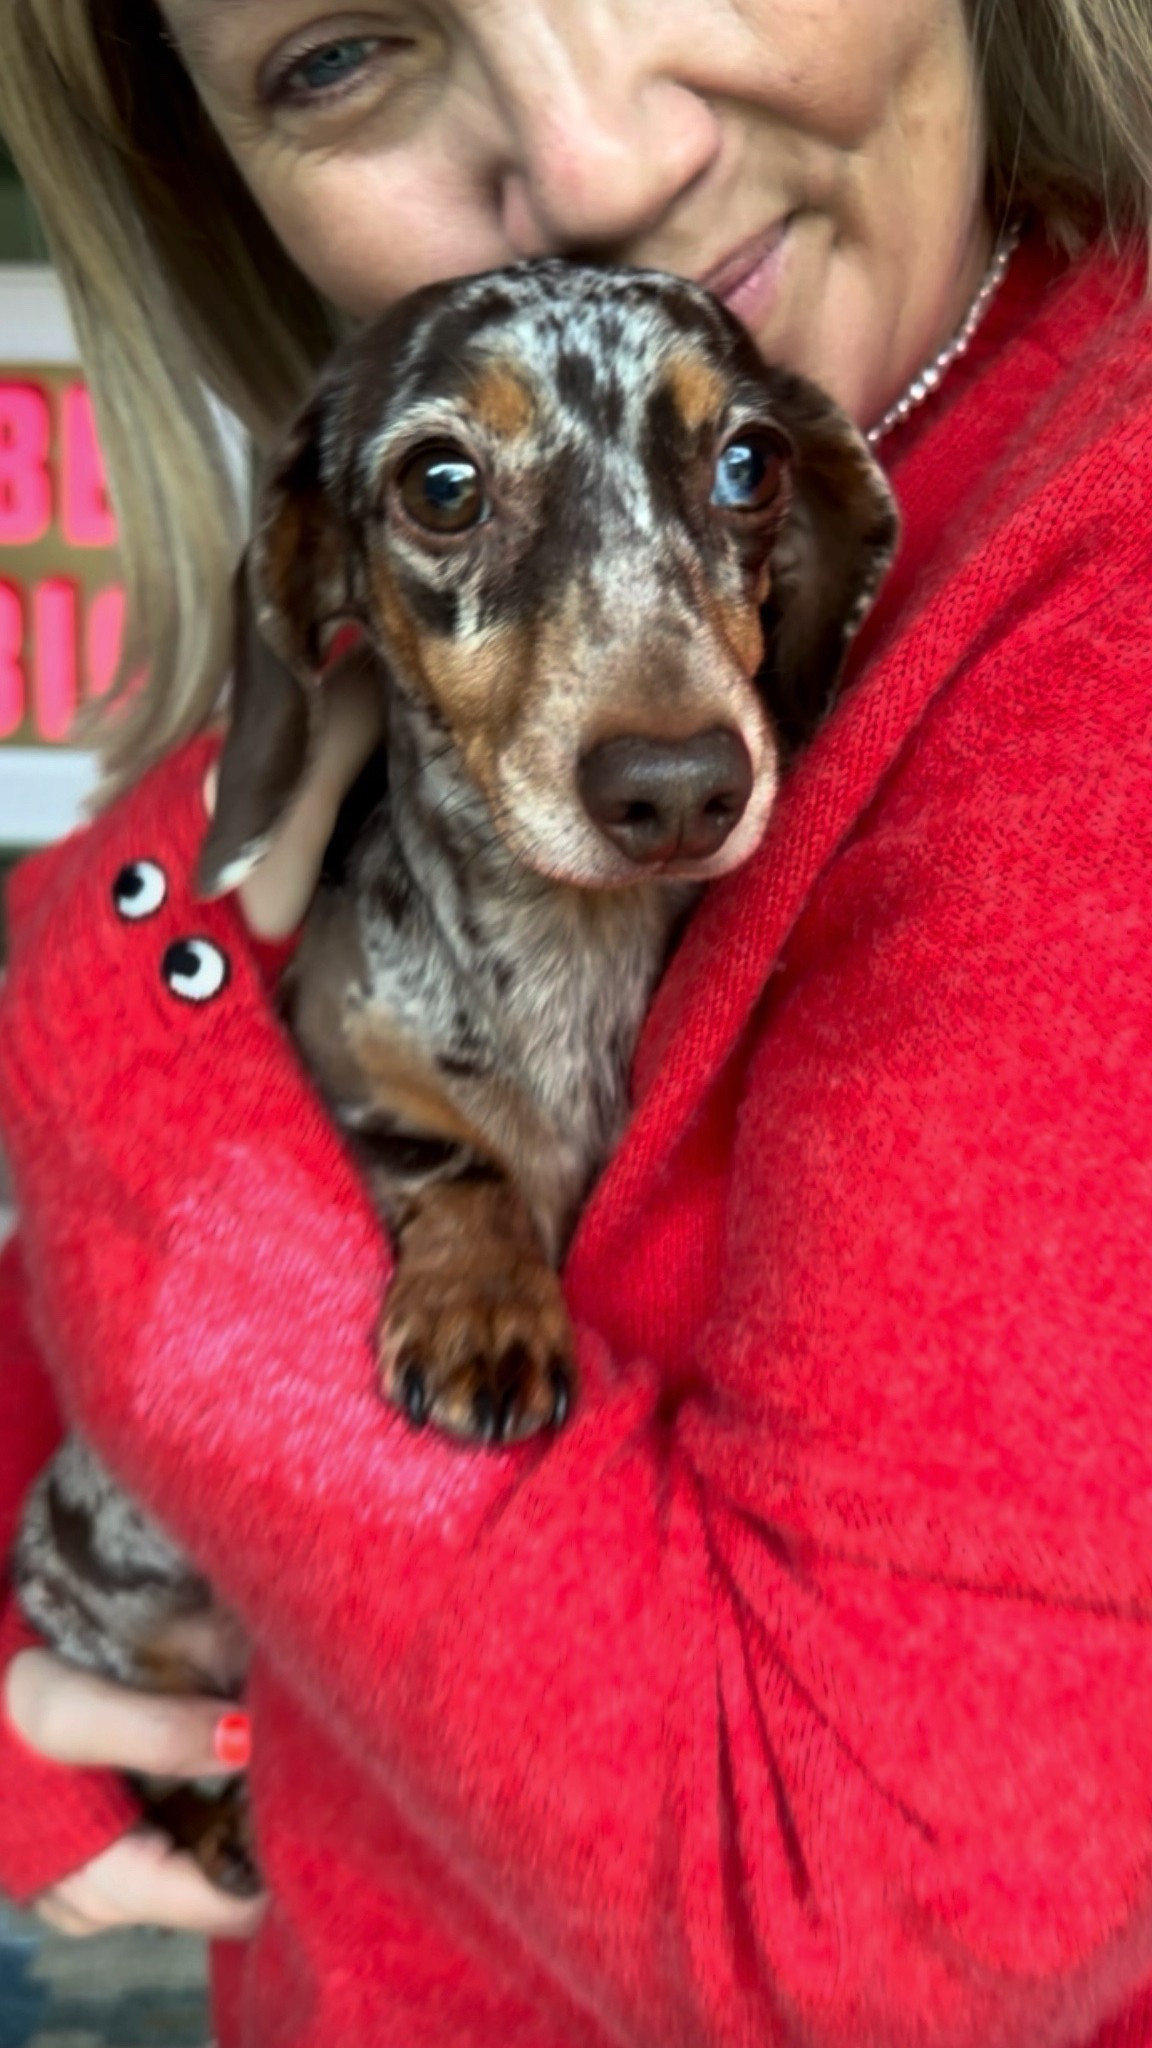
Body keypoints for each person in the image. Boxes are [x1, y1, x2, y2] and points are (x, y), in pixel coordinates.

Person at [1, 1, 1152, 2041]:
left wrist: (116, 998)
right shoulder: (368, 667)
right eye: (341, 50)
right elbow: (80, 1341)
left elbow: (865, 1930)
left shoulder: (1099, 613)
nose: (603, 161)